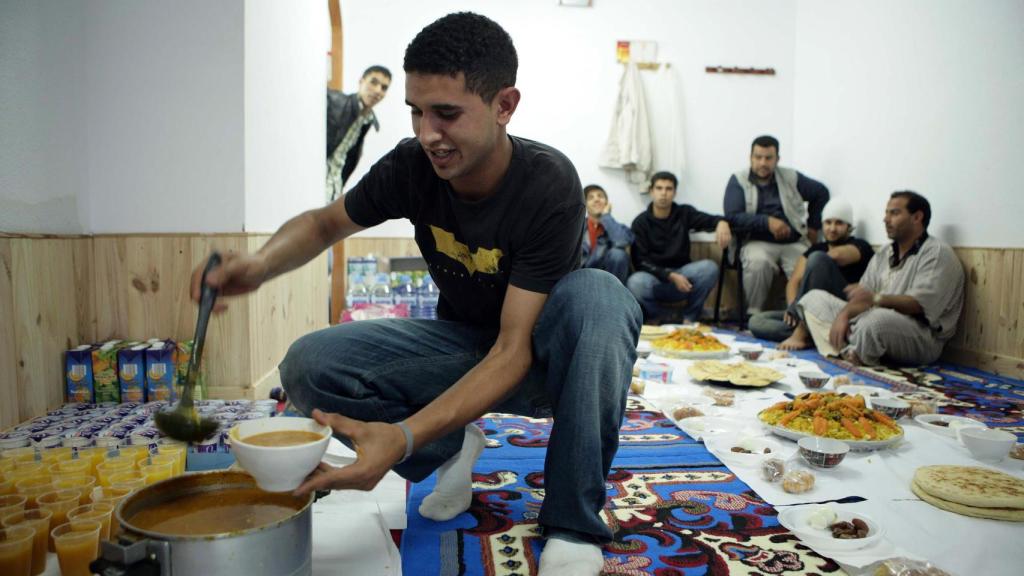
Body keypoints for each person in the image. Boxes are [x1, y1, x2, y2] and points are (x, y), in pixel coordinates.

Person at [192, 13, 640, 576]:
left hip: (545, 361)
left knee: (601, 296)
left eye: (447, 114)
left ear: (504, 106)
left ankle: (575, 521)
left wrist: (401, 439)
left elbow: (512, 350)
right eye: (416, 111)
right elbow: (325, 224)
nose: (428, 132)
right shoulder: (413, 165)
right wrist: (259, 265)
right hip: (464, 350)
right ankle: (452, 448)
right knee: (308, 365)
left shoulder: (549, 183)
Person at [790, 191, 964, 366]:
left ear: (917, 217)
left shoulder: (937, 253)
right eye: (886, 213)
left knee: (874, 321)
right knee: (812, 299)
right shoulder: (885, 252)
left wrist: (875, 299)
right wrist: (844, 314)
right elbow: (863, 296)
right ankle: (852, 350)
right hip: (868, 320)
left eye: (894, 213)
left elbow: (918, 304)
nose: (886, 219)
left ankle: (850, 348)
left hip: (921, 335)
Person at [723, 135, 830, 314]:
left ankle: (802, 317)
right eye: (758, 157)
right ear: (750, 157)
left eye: (768, 158)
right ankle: (753, 315)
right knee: (758, 262)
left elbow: (821, 193)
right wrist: (767, 222)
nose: (763, 163)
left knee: (810, 265)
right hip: (756, 242)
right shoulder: (738, 180)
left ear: (777, 159)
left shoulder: (790, 176)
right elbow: (733, 216)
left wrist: (813, 227)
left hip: (793, 241)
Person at [748, 197, 873, 347]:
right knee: (756, 322)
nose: (832, 228)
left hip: (841, 311)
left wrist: (814, 262)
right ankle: (815, 333)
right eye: (828, 222)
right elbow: (794, 282)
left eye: (839, 223)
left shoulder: (860, 245)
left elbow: (837, 256)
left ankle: (803, 332)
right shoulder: (815, 249)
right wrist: (793, 308)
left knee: (818, 259)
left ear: (849, 227)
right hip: (808, 312)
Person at [627, 171, 731, 323]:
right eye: (659, 188)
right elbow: (640, 262)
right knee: (635, 282)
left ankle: (689, 317)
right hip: (655, 281)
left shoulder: (684, 213)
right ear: (651, 191)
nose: (664, 193)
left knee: (709, 268)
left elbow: (710, 219)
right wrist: (669, 275)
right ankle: (663, 317)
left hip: (684, 278)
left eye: (669, 189)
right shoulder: (640, 222)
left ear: (675, 193)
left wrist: (722, 222)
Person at [326, 65, 392, 203]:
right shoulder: (334, 101)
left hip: (334, 190)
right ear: (361, 81)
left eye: (384, 87)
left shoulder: (367, 120)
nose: (378, 90)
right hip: (313, 185)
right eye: (373, 82)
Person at [580, 184, 633, 284]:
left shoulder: (619, 228)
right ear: (585, 204)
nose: (596, 199)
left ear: (607, 202)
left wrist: (606, 217)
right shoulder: (577, 228)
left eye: (600, 196)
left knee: (618, 254)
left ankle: (615, 296)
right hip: (582, 278)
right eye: (591, 197)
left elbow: (622, 241)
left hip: (609, 280)